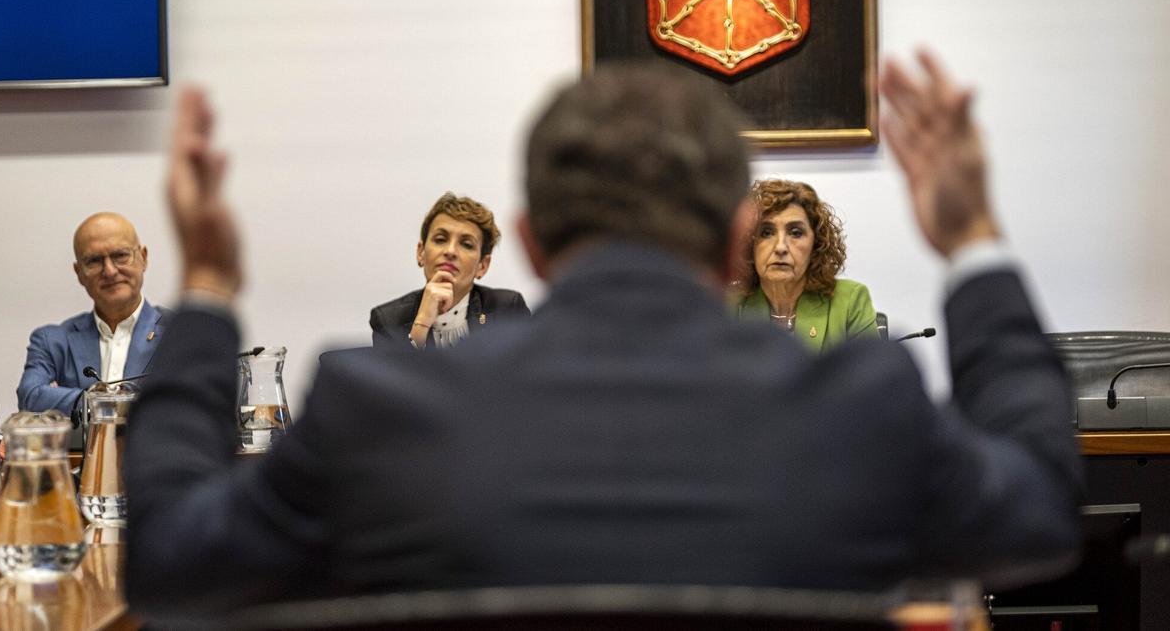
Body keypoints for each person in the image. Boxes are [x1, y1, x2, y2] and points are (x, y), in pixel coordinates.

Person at [125, 51, 1082, 619]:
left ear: (531, 243)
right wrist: (973, 243)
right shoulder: (863, 400)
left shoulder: (375, 407)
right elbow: (1041, 510)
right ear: (732, 245)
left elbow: (167, 559)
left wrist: (205, 286)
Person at [17, 212, 168, 416]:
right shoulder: (52, 341)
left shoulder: (179, 332)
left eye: (120, 255)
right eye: (94, 261)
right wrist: (99, 400)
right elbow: (30, 397)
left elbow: (190, 402)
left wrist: (72, 400)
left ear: (143, 258)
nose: (110, 271)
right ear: (79, 272)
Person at [369, 192, 530, 349]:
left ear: (482, 265)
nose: (451, 251)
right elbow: (396, 376)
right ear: (421, 253)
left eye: (466, 244)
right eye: (440, 240)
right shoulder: (388, 320)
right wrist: (422, 324)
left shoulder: (507, 308)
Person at [734, 179, 878, 351]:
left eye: (796, 233)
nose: (780, 247)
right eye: (766, 232)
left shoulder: (850, 301)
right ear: (748, 243)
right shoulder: (728, 306)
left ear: (816, 244)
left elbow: (870, 376)